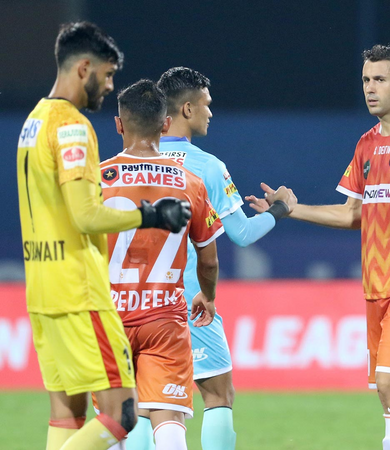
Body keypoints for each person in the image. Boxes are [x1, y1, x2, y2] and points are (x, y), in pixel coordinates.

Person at [249, 44, 390, 450]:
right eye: (366, 80)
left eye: (380, 80)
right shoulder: (366, 144)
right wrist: (290, 209)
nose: (370, 88)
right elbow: (351, 214)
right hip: (377, 286)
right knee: (388, 392)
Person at [15, 22, 190, 450]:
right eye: (107, 74)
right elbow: (86, 215)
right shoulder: (72, 127)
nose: (110, 86)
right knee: (122, 413)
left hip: (42, 291)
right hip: (80, 292)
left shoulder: (33, 122)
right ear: (84, 68)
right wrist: (150, 214)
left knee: (68, 413)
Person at [108, 66, 294, 450]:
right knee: (217, 394)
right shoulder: (205, 168)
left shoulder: (111, 170)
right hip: (184, 305)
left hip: (122, 306)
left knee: (139, 403)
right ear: (187, 109)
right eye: (206, 104)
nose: (211, 112)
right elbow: (241, 235)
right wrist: (280, 209)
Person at [100, 79, 223, 449]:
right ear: (166, 123)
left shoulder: (96, 179)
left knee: (113, 419)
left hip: (109, 316)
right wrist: (207, 295)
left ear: (119, 124)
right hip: (164, 319)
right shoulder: (190, 182)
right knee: (168, 418)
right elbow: (209, 260)